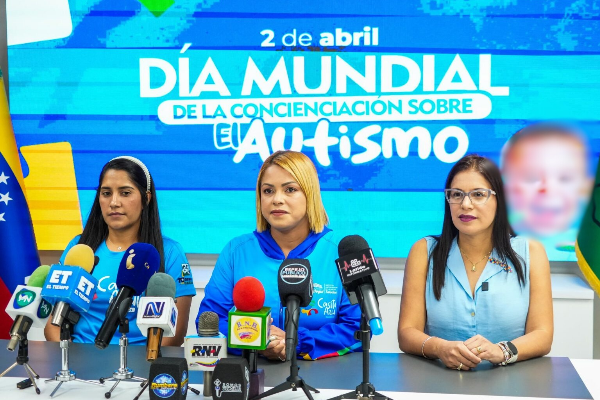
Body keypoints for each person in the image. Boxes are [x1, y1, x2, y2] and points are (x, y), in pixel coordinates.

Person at [198, 150, 362, 361]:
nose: (277, 199)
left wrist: (297, 342)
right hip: (251, 371)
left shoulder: (345, 252)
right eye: (268, 191)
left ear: (310, 194)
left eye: (290, 189)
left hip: (325, 376)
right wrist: (256, 341)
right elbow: (210, 321)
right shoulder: (236, 251)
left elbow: (357, 329)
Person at [398, 154, 553, 370]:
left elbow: (543, 335)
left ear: (500, 200)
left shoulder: (530, 252)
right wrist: (440, 348)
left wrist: (502, 351)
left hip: (512, 379)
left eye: (478, 194)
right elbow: (407, 333)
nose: (465, 204)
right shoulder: (424, 252)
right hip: (440, 377)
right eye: (456, 194)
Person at [44, 156, 195, 345]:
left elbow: (175, 334)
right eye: (106, 193)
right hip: (78, 357)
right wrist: (71, 356)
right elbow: (53, 325)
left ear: (146, 198)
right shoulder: (80, 248)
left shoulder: (170, 252)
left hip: (141, 360)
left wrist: (141, 360)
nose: (114, 202)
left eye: (125, 193)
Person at [501, 123, 593, 260]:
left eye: (565, 178)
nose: (549, 188)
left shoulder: (588, 244)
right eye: (532, 177)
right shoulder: (494, 239)